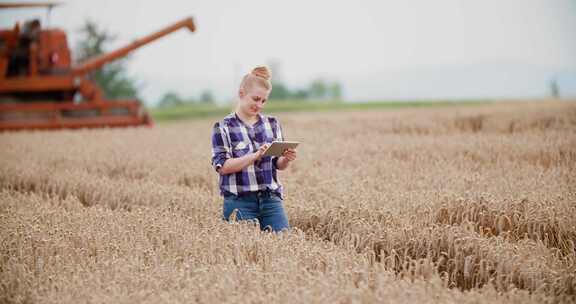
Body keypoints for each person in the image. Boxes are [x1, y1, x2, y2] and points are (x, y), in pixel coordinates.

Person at [211, 66, 297, 232]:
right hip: (239, 203)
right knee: (247, 253)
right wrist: (255, 155)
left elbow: (277, 164)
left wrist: (286, 158)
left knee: (284, 246)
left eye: (263, 101)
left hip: (271, 201)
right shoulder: (223, 127)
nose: (259, 105)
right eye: (256, 99)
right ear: (241, 93)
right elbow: (223, 167)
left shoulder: (272, 124)